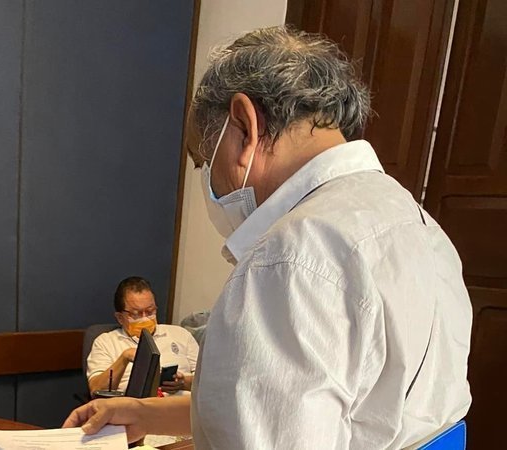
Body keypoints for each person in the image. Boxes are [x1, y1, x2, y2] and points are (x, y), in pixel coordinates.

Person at [64, 26, 472, 449]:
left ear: (244, 126)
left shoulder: (291, 257)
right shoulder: (417, 224)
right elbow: (343, 413)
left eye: (203, 161)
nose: (210, 181)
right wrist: (143, 413)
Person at [86, 277, 199, 395]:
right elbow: (96, 390)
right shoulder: (106, 342)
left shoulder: (181, 334)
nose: (145, 318)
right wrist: (124, 359)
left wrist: (183, 382)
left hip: (181, 403)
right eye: (136, 314)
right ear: (120, 317)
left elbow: (206, 381)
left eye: (150, 311)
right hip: (133, 404)